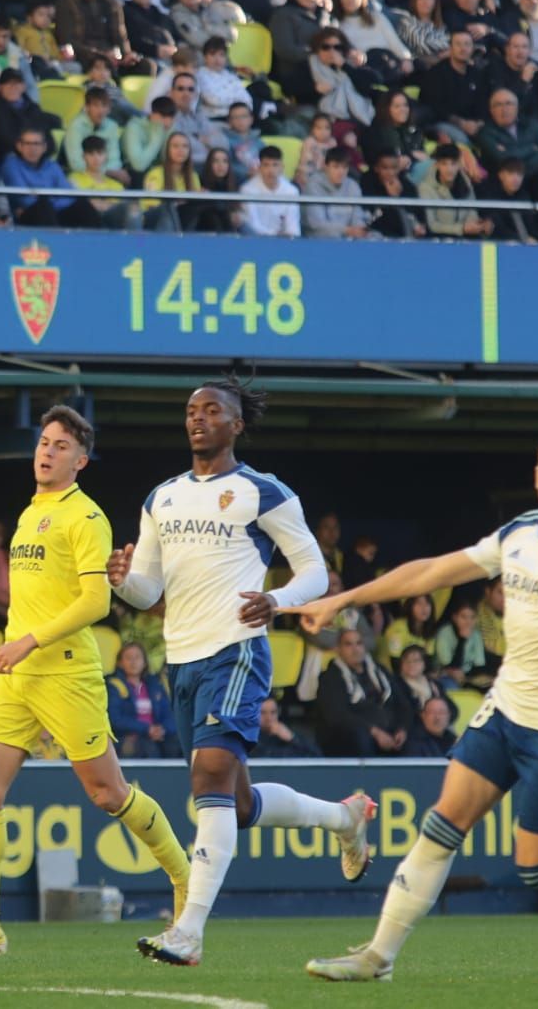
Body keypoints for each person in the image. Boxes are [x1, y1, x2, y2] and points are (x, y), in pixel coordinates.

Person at [299, 429, 538, 982]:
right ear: (535, 474)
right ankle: (378, 957)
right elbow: (433, 572)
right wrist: (345, 598)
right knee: (443, 823)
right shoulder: (518, 532)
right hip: (505, 710)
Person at [109, 376, 373, 968]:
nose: (197, 418)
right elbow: (150, 589)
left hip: (238, 650)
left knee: (207, 785)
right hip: (180, 659)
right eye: (190, 411)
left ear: (237, 424)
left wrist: (278, 602)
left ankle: (188, 931)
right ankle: (344, 818)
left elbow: (313, 572)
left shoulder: (263, 491)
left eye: (211, 410)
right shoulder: (162, 497)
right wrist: (123, 579)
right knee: (238, 803)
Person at [0, 405, 191, 965]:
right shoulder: (31, 513)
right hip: (14, 679)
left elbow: (97, 600)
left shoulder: (86, 517)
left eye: (59, 446)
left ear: (81, 460)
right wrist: (15, 647)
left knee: (107, 794)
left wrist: (27, 641)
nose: (46, 452)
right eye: (43, 442)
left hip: (66, 670)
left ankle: (186, 881)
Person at [317, 627, 415, 756]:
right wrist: (374, 731)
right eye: (348, 644)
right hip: (353, 734)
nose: (355, 649)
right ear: (338, 649)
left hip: (388, 729)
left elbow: (403, 704)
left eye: (359, 643)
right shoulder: (331, 677)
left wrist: (402, 730)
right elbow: (337, 716)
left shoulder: (380, 670)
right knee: (361, 738)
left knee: (414, 737)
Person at [106, 641, 179, 758]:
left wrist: (162, 729)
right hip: (129, 737)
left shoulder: (155, 685)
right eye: (129, 658)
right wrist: (146, 729)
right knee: (145, 746)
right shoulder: (114, 686)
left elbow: (170, 714)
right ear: (120, 663)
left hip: (156, 735)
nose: (133, 662)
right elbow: (115, 719)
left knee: (176, 743)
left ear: (144, 662)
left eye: (137, 657)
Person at [239, 143, 301, 236]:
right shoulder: (247, 190)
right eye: (266, 165)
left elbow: (293, 227)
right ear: (259, 167)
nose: (270, 170)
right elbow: (252, 224)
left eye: (275, 165)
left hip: (283, 242)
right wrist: (275, 235)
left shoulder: (292, 191)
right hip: (256, 241)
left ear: (282, 167)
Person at [254, 696, 321, 757]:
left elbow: (317, 756)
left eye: (273, 712)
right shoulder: (249, 737)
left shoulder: (289, 734)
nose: (268, 718)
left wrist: (292, 738)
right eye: (262, 713)